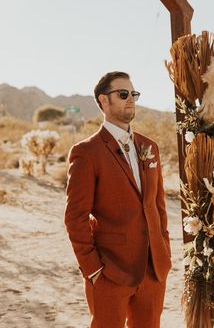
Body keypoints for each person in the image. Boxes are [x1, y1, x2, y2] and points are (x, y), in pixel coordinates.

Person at [65, 71, 171, 328]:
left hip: (153, 270)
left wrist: (163, 250)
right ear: (104, 100)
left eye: (133, 94)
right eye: (122, 94)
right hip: (110, 272)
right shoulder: (86, 152)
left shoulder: (149, 146)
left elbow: (158, 206)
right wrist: (93, 269)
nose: (130, 99)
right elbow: (75, 218)